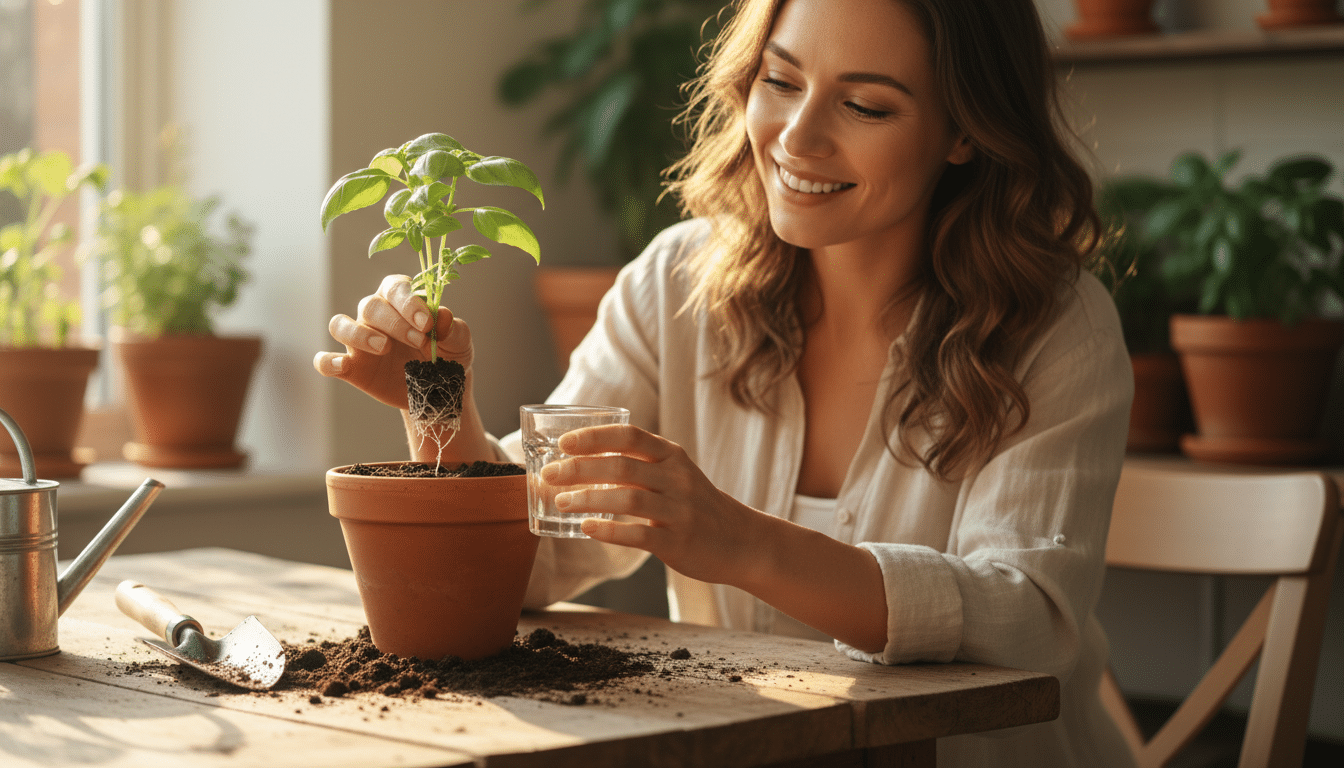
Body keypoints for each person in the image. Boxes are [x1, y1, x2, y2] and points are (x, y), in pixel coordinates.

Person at [315, 0, 1136, 765]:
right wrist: (434, 398)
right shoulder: (676, 283)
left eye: (867, 105)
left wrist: (740, 542)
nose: (796, 138)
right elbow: (527, 564)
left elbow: (1029, 619)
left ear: (965, 129)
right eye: (780, 82)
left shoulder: (1054, 326)